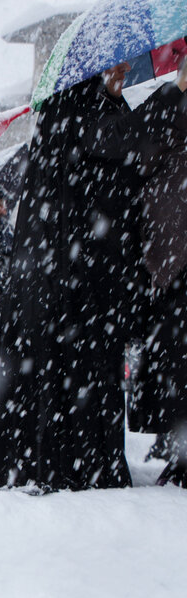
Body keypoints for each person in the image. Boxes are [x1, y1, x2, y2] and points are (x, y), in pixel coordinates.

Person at [0, 61, 187, 492]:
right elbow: (128, 139)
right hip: (67, 288)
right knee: (67, 382)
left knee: (87, 380)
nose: (121, 73)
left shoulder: (100, 109)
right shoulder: (73, 111)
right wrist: (175, 89)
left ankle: (81, 464)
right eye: (112, 68)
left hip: (89, 287)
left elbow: (131, 150)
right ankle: (61, 466)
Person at [129, 58, 187, 487]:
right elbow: (140, 151)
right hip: (173, 263)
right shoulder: (167, 111)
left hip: (172, 260)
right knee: (176, 359)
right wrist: (178, 88)